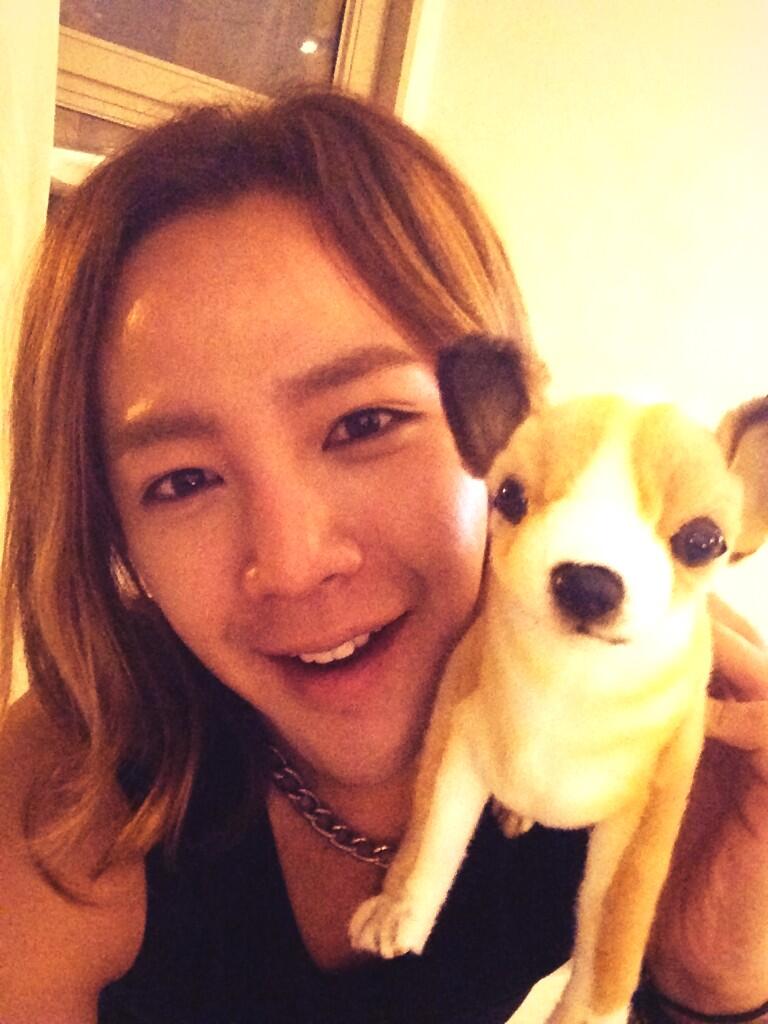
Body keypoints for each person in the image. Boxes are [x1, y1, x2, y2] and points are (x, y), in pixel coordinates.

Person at [0, 89, 766, 1024]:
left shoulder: (641, 706)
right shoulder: (62, 810)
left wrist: (709, 982)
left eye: (364, 423)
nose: (293, 561)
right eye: (183, 480)